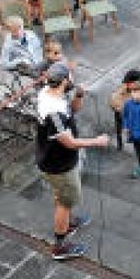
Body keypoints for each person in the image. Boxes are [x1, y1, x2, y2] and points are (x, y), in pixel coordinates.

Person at [35, 63, 110, 260]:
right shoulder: (54, 112)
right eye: (71, 77)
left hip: (57, 161)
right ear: (64, 82)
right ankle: (60, 247)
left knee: (63, 197)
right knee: (64, 203)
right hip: (59, 166)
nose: (73, 80)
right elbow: (69, 142)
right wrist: (97, 141)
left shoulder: (49, 92)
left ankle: (68, 221)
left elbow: (73, 111)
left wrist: (79, 95)